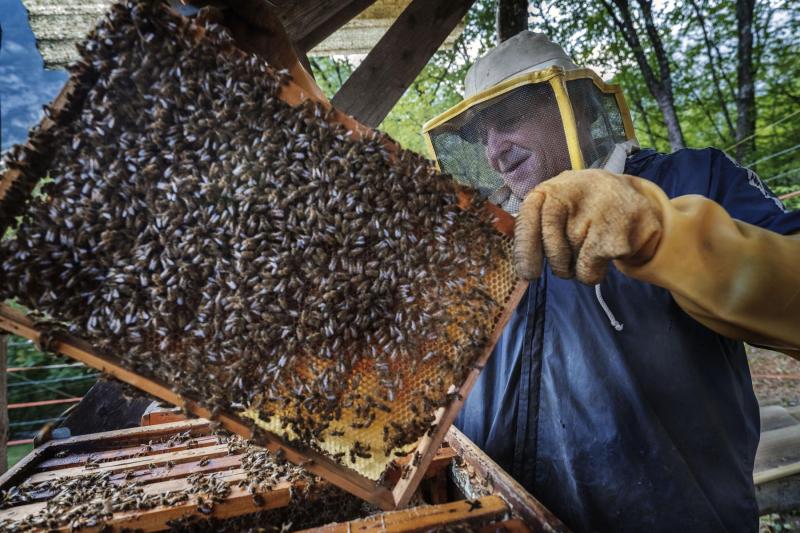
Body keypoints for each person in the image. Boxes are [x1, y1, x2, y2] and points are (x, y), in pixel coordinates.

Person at [422, 31, 800, 531]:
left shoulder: (690, 179)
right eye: (480, 136)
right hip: (497, 516)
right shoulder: (483, 240)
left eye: (509, 120)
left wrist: (661, 233)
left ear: (575, 104)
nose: (494, 151)